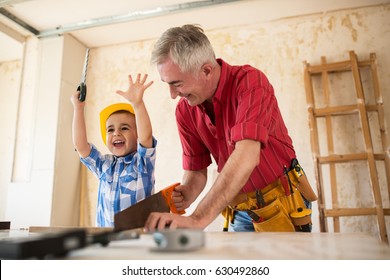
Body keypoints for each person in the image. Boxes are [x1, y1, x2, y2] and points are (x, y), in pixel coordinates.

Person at [144, 24, 316, 232]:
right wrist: (189, 191)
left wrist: (198, 219)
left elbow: (247, 155)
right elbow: (196, 169)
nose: (172, 94)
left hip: (283, 202)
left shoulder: (250, 83)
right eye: (167, 84)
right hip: (240, 209)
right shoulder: (185, 110)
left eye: (177, 83)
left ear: (206, 70)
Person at [71, 73, 157, 227]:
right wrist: (78, 108)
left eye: (124, 128)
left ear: (137, 134)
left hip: (137, 242)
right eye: (110, 130)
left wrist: (138, 104)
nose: (116, 133)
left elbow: (146, 137)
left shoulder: (142, 163)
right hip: (106, 241)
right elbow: (81, 146)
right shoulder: (104, 165)